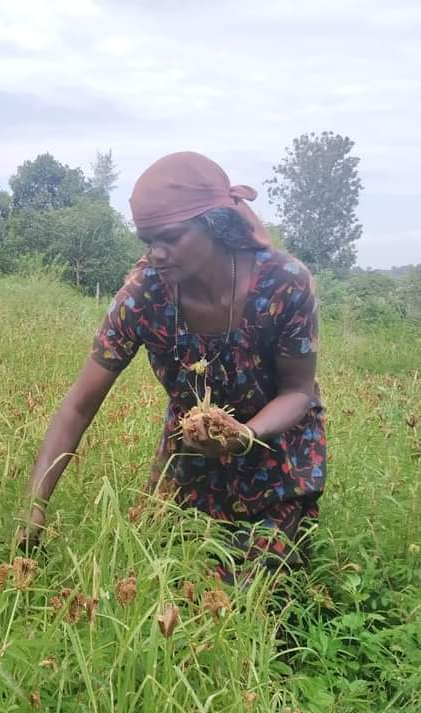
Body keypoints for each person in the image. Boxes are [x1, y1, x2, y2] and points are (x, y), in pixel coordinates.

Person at [20, 152, 325, 581]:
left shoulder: (284, 284)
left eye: (170, 237)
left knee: (249, 598)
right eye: (147, 241)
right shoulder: (144, 296)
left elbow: (298, 392)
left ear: (215, 224)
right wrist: (34, 508)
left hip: (276, 464)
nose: (157, 254)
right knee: (153, 583)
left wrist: (245, 435)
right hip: (189, 462)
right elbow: (78, 407)